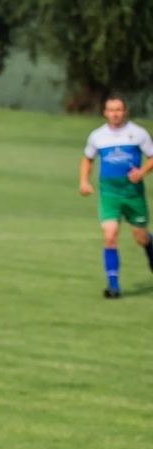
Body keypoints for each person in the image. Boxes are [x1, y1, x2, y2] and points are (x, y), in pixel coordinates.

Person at [79, 96, 153, 299]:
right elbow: (88, 158)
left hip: (133, 195)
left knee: (141, 237)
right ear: (105, 112)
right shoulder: (97, 136)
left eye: (119, 109)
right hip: (109, 194)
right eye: (111, 110)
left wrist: (142, 172)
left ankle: (150, 250)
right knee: (110, 235)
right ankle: (114, 286)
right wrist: (84, 181)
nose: (115, 113)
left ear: (125, 111)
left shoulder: (138, 133)